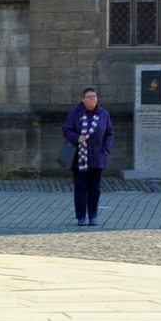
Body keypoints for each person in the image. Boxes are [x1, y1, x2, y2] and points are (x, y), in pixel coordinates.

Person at [62, 86, 113, 226]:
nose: (93, 99)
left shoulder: (103, 114)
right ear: (83, 99)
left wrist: (106, 149)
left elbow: (109, 132)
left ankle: (93, 216)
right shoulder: (74, 113)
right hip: (80, 158)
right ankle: (81, 217)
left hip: (98, 157)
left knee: (95, 189)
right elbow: (66, 130)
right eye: (90, 97)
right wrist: (77, 137)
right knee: (80, 189)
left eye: (94, 96)